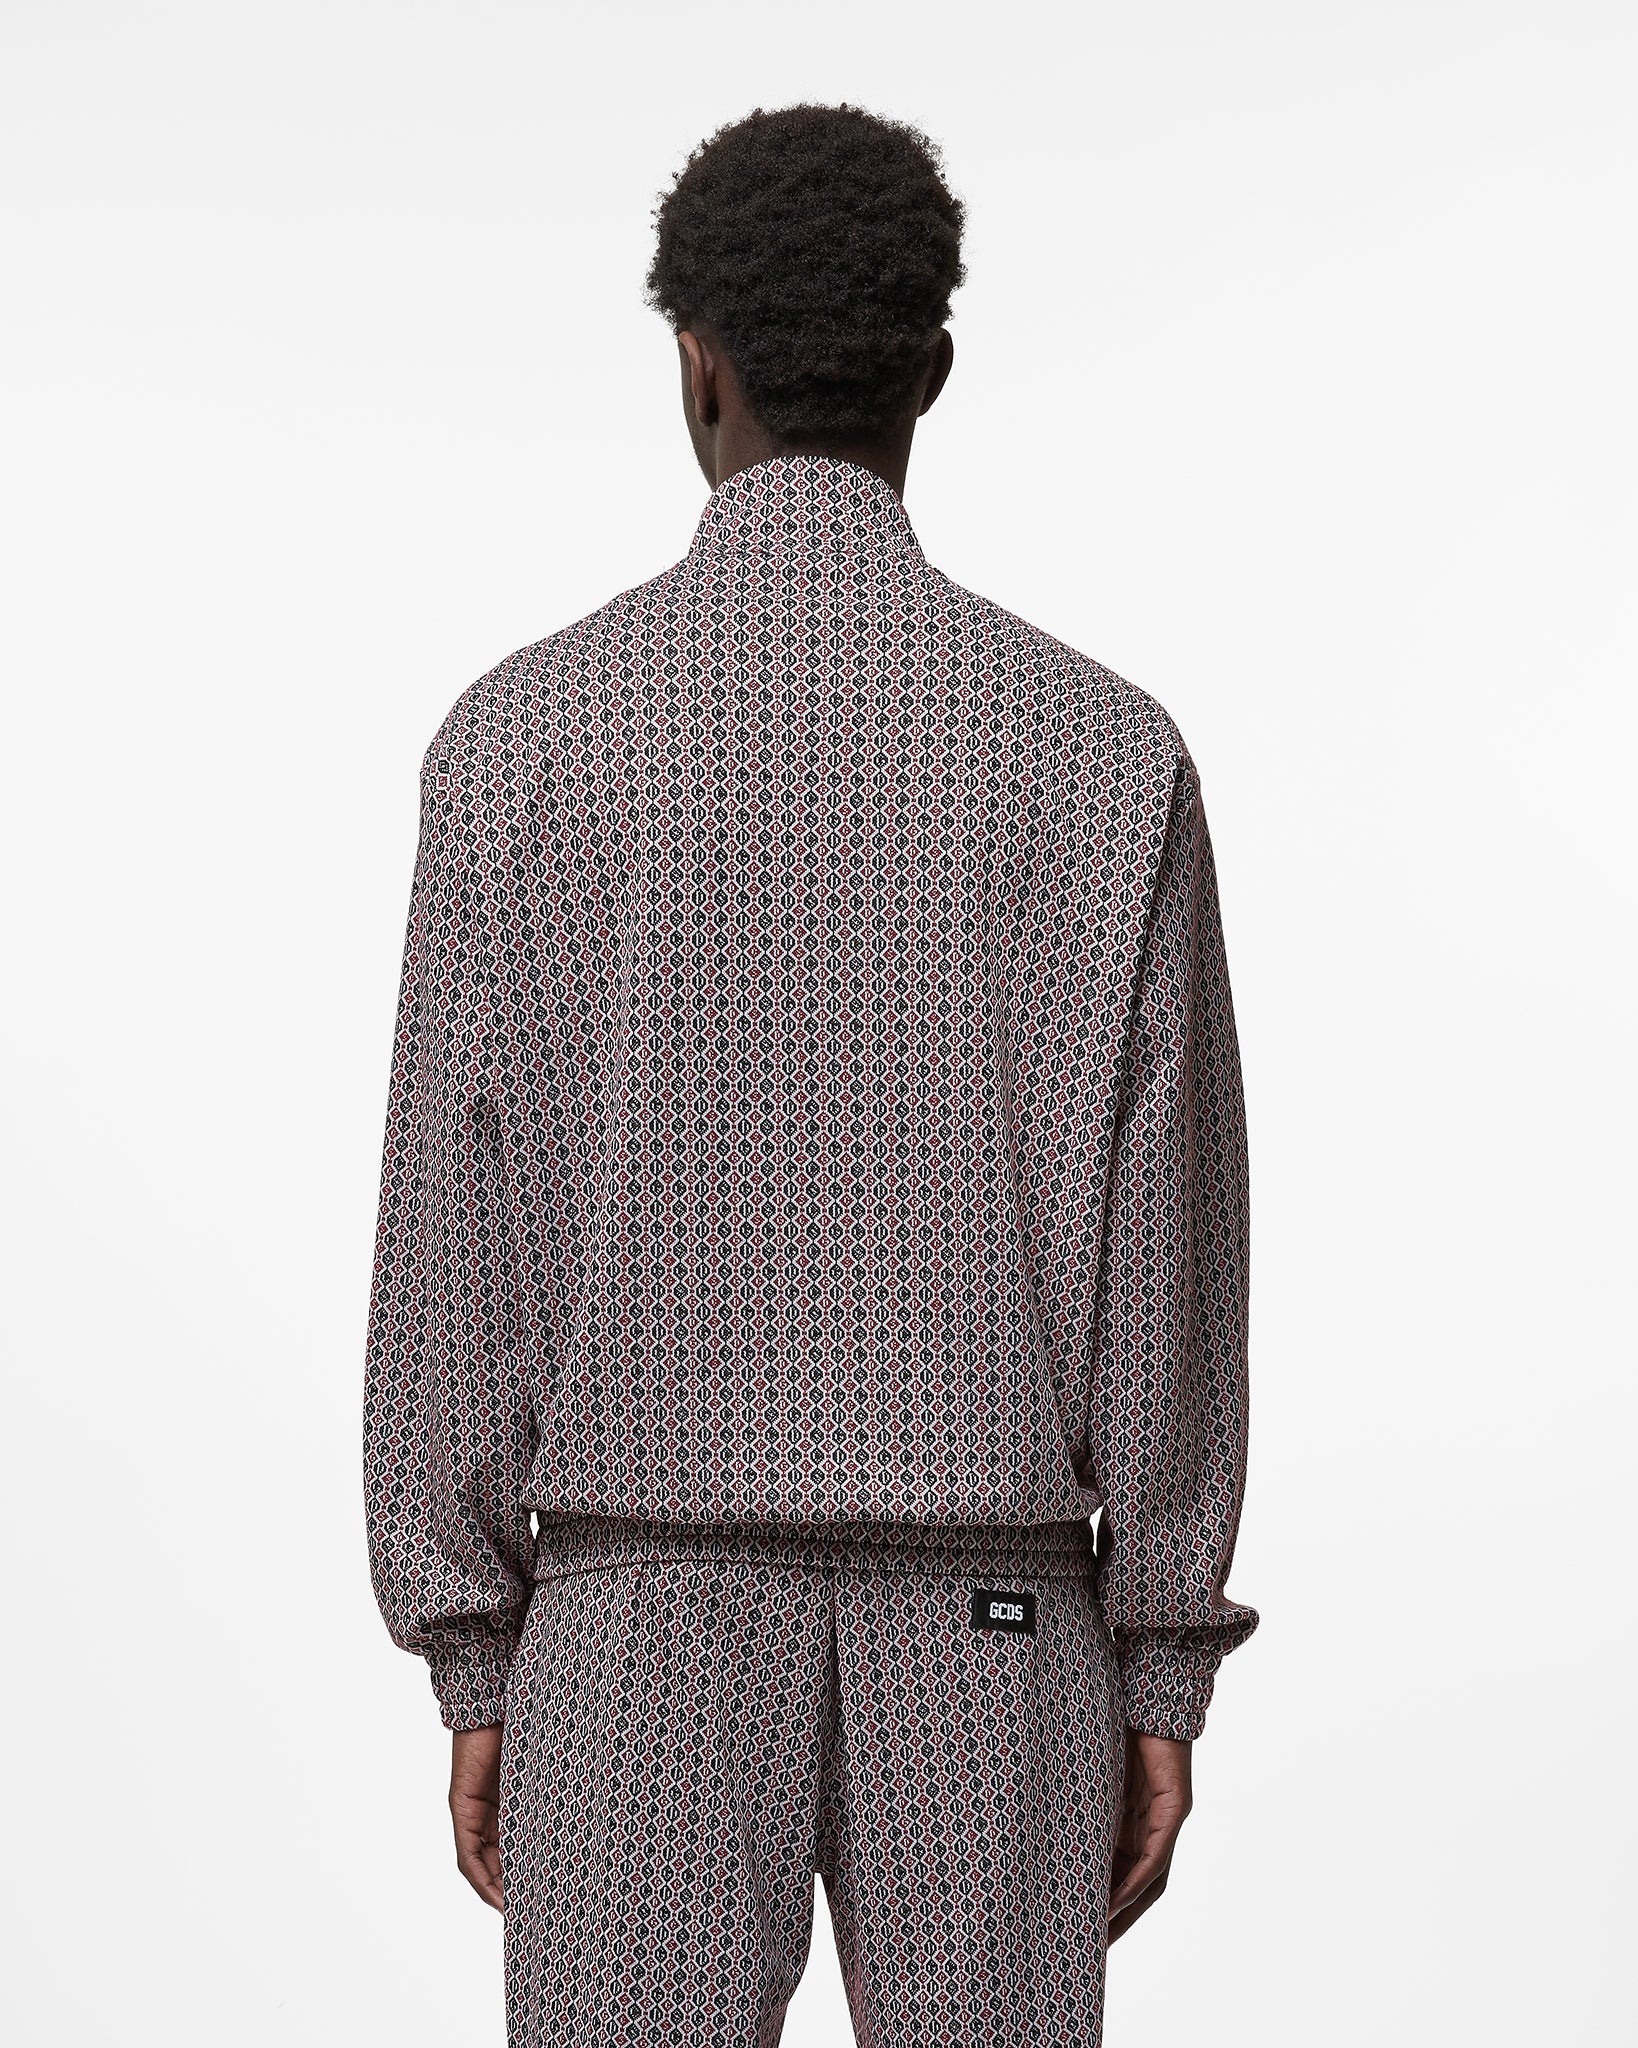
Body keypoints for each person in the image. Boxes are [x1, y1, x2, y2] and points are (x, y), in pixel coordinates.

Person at [363, 100, 1258, 2048]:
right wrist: (1159, 1660)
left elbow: (455, 1243)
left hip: (635, 1626)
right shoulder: (1108, 757)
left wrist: (474, 1648)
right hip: (1000, 1633)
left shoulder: (516, 748)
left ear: (695, 365)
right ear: (931, 369)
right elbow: (1169, 1270)